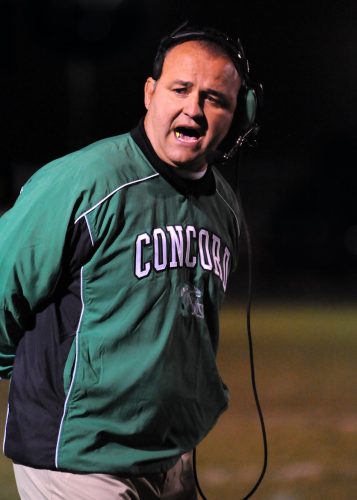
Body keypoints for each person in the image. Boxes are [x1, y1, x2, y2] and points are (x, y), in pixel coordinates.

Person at [0, 22, 258, 499]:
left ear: (238, 117)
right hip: (78, 463)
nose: (193, 109)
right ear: (150, 93)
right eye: (180, 89)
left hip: (171, 455)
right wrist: (40, 392)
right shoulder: (84, 181)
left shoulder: (223, 206)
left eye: (214, 99)